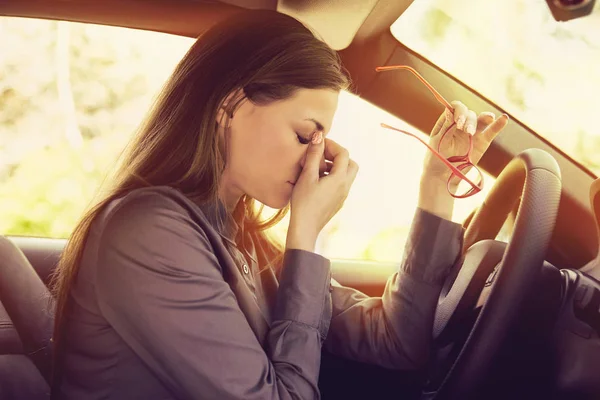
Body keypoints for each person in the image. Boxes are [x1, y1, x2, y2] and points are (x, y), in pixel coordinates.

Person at [50, 9, 508, 400]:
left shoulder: (239, 238)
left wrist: (435, 187)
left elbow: (396, 342)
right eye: (304, 135)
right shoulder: (148, 234)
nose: (315, 157)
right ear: (231, 106)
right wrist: (306, 232)